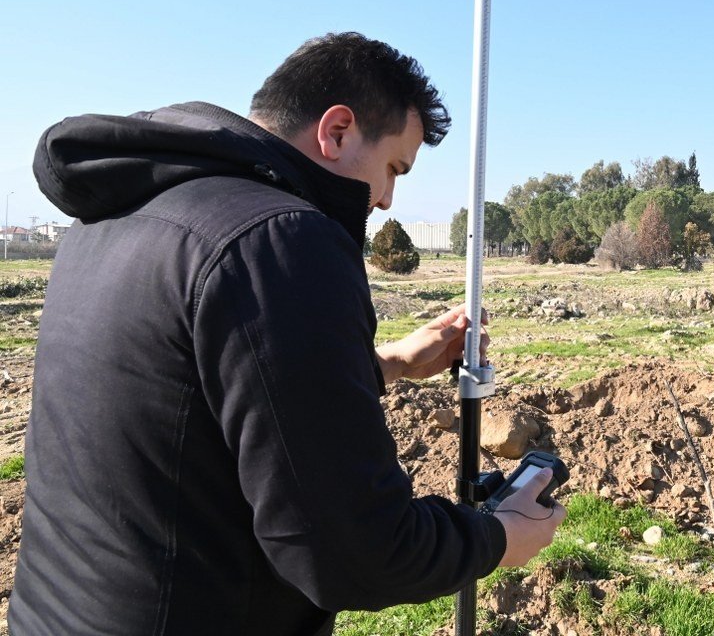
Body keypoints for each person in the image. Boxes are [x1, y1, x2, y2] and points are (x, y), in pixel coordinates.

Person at [10, 32, 565, 635]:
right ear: (337, 131)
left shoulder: (116, 217)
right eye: (392, 169)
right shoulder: (279, 241)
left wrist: (390, 364)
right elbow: (352, 550)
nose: (385, 200)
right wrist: (496, 536)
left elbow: (194, 400)